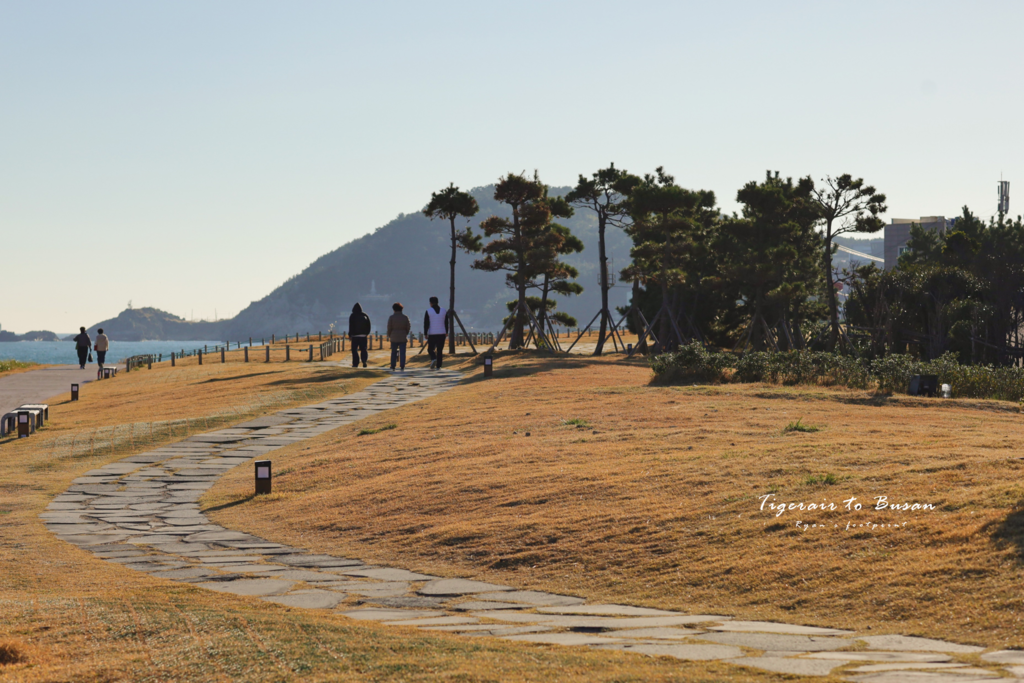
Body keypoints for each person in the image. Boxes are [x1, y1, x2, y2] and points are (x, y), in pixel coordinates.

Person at [423, 296, 448, 369]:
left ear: (430, 303)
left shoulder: (428, 311)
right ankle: (439, 366)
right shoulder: (444, 310)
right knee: (440, 350)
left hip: (432, 333)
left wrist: (425, 333)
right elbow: (446, 322)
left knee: (430, 349)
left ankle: (434, 358)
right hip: (442, 333)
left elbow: (426, 323)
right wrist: (446, 331)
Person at [386, 302, 411, 371]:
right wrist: (405, 333)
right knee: (403, 352)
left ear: (393, 309)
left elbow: (389, 327)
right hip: (403, 336)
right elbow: (408, 326)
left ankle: (393, 365)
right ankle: (402, 365)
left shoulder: (391, 317)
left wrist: (389, 335)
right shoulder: (405, 317)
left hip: (394, 336)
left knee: (393, 351)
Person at [349, 303, 371, 368]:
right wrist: (366, 333)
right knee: (364, 349)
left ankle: (355, 363)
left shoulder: (352, 316)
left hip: (355, 336)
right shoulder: (365, 315)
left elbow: (351, 326)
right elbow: (369, 325)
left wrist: (350, 335)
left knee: (354, 350)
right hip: (363, 336)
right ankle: (364, 360)